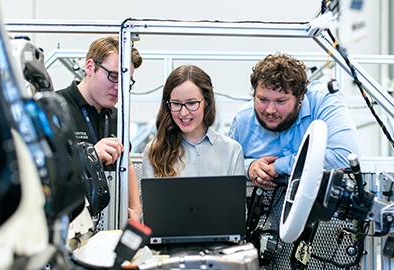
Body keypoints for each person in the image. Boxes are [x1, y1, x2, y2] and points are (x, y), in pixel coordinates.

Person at [229, 53, 360, 188]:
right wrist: (249, 167)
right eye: (263, 100)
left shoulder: (323, 101)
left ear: (300, 97)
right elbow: (229, 164)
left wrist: (278, 166)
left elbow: (344, 157)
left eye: (280, 101)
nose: (270, 110)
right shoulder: (243, 120)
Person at [57, 35, 142, 222]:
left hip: (109, 223)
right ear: (89, 67)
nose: (118, 88)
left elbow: (126, 164)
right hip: (69, 222)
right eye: (113, 76)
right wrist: (90, 156)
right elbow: (45, 172)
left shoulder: (117, 117)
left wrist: (135, 210)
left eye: (126, 82)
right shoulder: (56, 108)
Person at [142, 64, 244, 178]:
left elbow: (235, 196)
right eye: (176, 103)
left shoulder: (232, 151)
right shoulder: (154, 151)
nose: (183, 113)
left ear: (206, 102)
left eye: (191, 103)